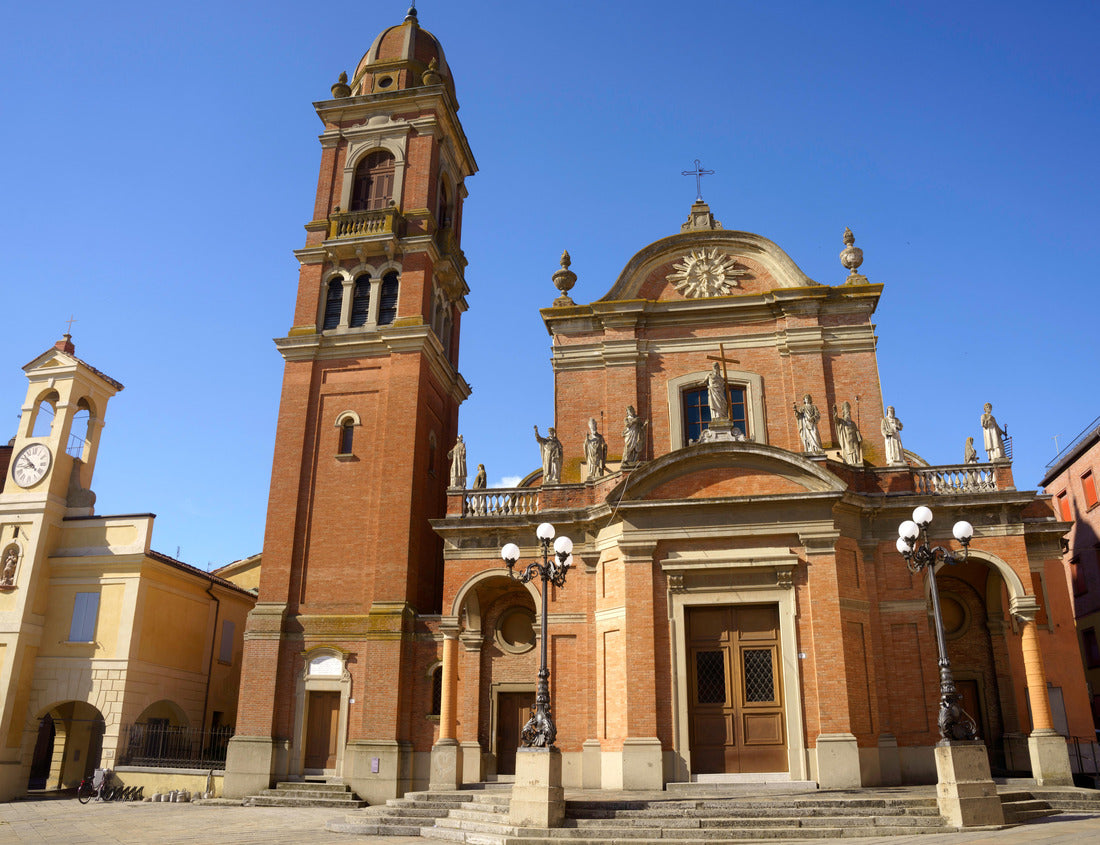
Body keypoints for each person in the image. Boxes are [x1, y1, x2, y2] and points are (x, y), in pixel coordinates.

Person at [833, 401, 863, 466]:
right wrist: (835, 411)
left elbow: (856, 431)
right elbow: (836, 420)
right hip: (847, 440)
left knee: (856, 452)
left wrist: (859, 437)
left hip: (854, 440)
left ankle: (856, 461)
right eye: (847, 412)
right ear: (844, 413)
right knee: (849, 451)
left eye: (849, 412)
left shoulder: (853, 423)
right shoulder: (842, 421)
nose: (848, 414)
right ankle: (850, 462)